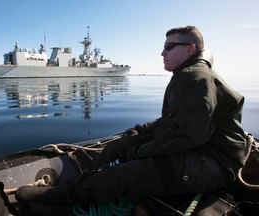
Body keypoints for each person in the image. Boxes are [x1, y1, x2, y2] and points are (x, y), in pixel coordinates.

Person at [16, 26, 247, 207]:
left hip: (216, 161)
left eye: (169, 47)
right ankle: (82, 183)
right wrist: (141, 131)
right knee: (116, 148)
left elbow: (190, 135)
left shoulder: (196, 76)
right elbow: (173, 122)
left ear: (190, 49)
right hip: (198, 147)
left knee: (128, 174)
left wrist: (140, 151)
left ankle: (61, 197)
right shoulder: (185, 74)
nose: (162, 52)